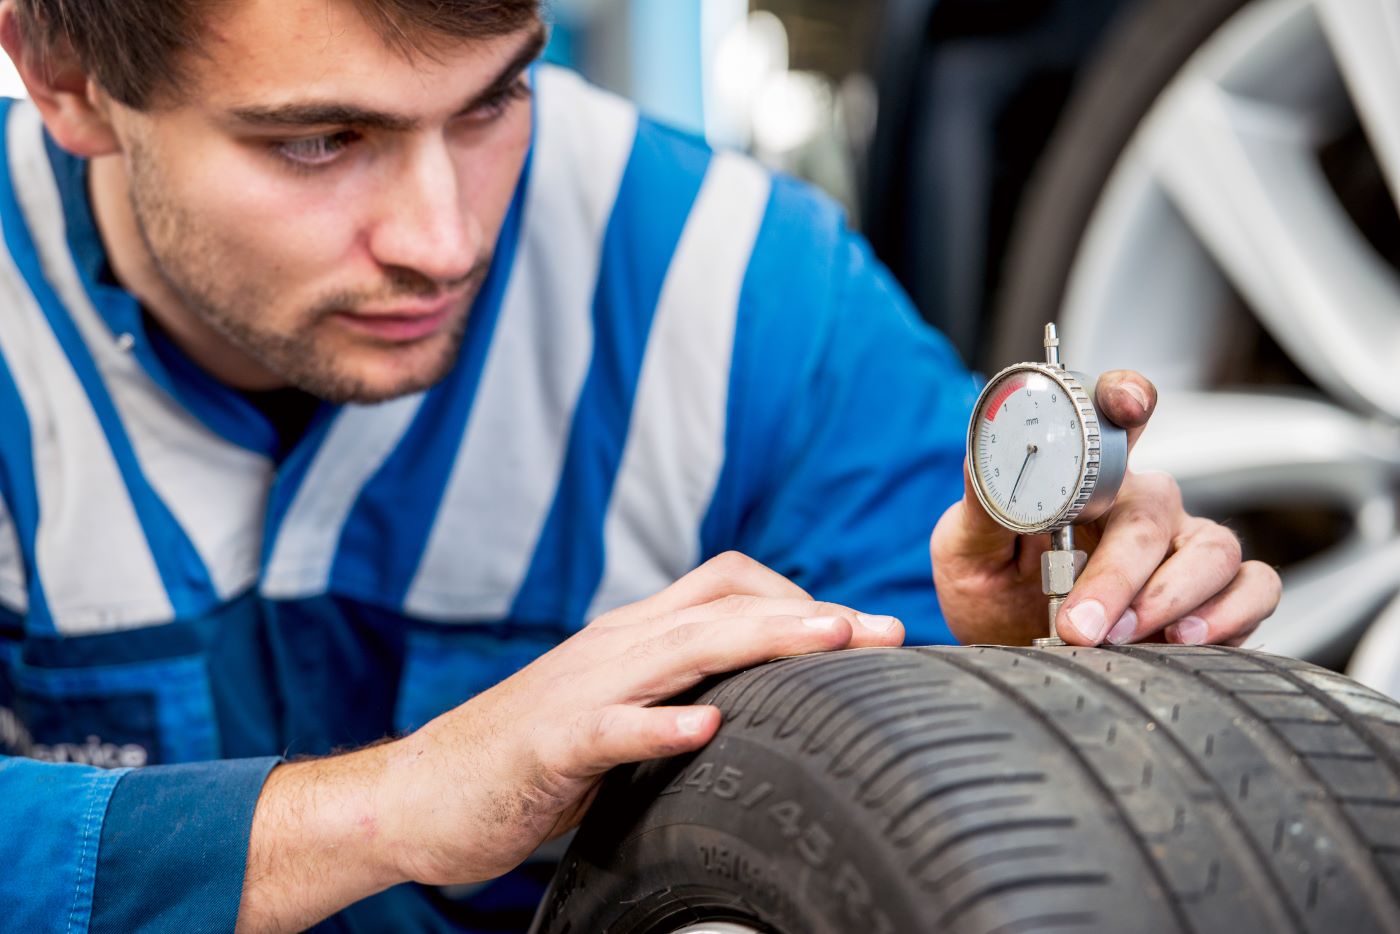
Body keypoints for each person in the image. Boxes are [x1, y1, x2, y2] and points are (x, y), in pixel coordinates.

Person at [0, 0, 1280, 930]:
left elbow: (969, 791)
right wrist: (386, 806)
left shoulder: (730, 290)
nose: (443, 242)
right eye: (319, 141)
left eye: (496, 96)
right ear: (63, 80)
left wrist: (1023, 672)